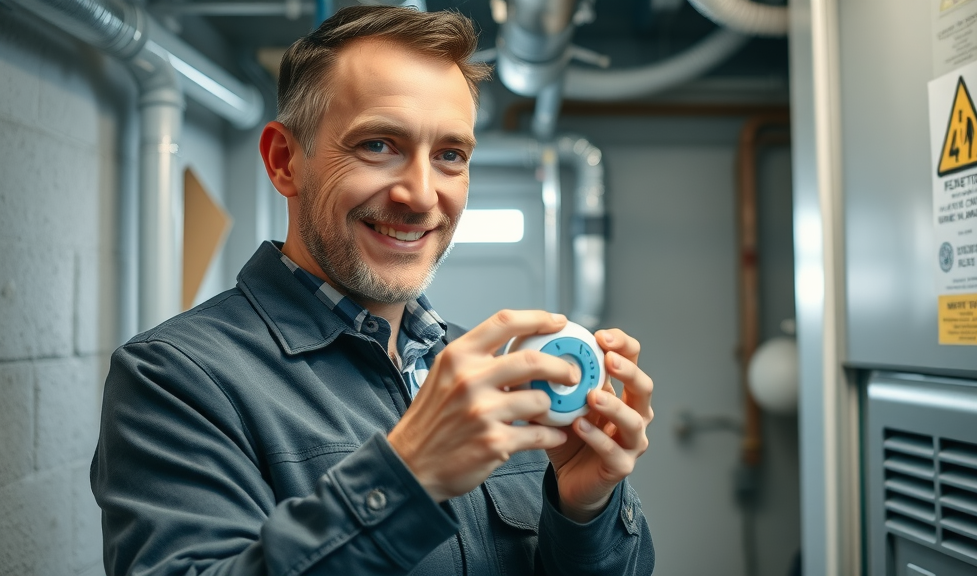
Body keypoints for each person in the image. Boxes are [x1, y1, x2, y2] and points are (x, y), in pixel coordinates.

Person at [91, 6, 655, 575]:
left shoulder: (491, 377)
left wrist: (586, 509)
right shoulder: (176, 382)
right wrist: (405, 476)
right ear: (285, 161)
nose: (421, 194)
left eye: (450, 156)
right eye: (379, 145)